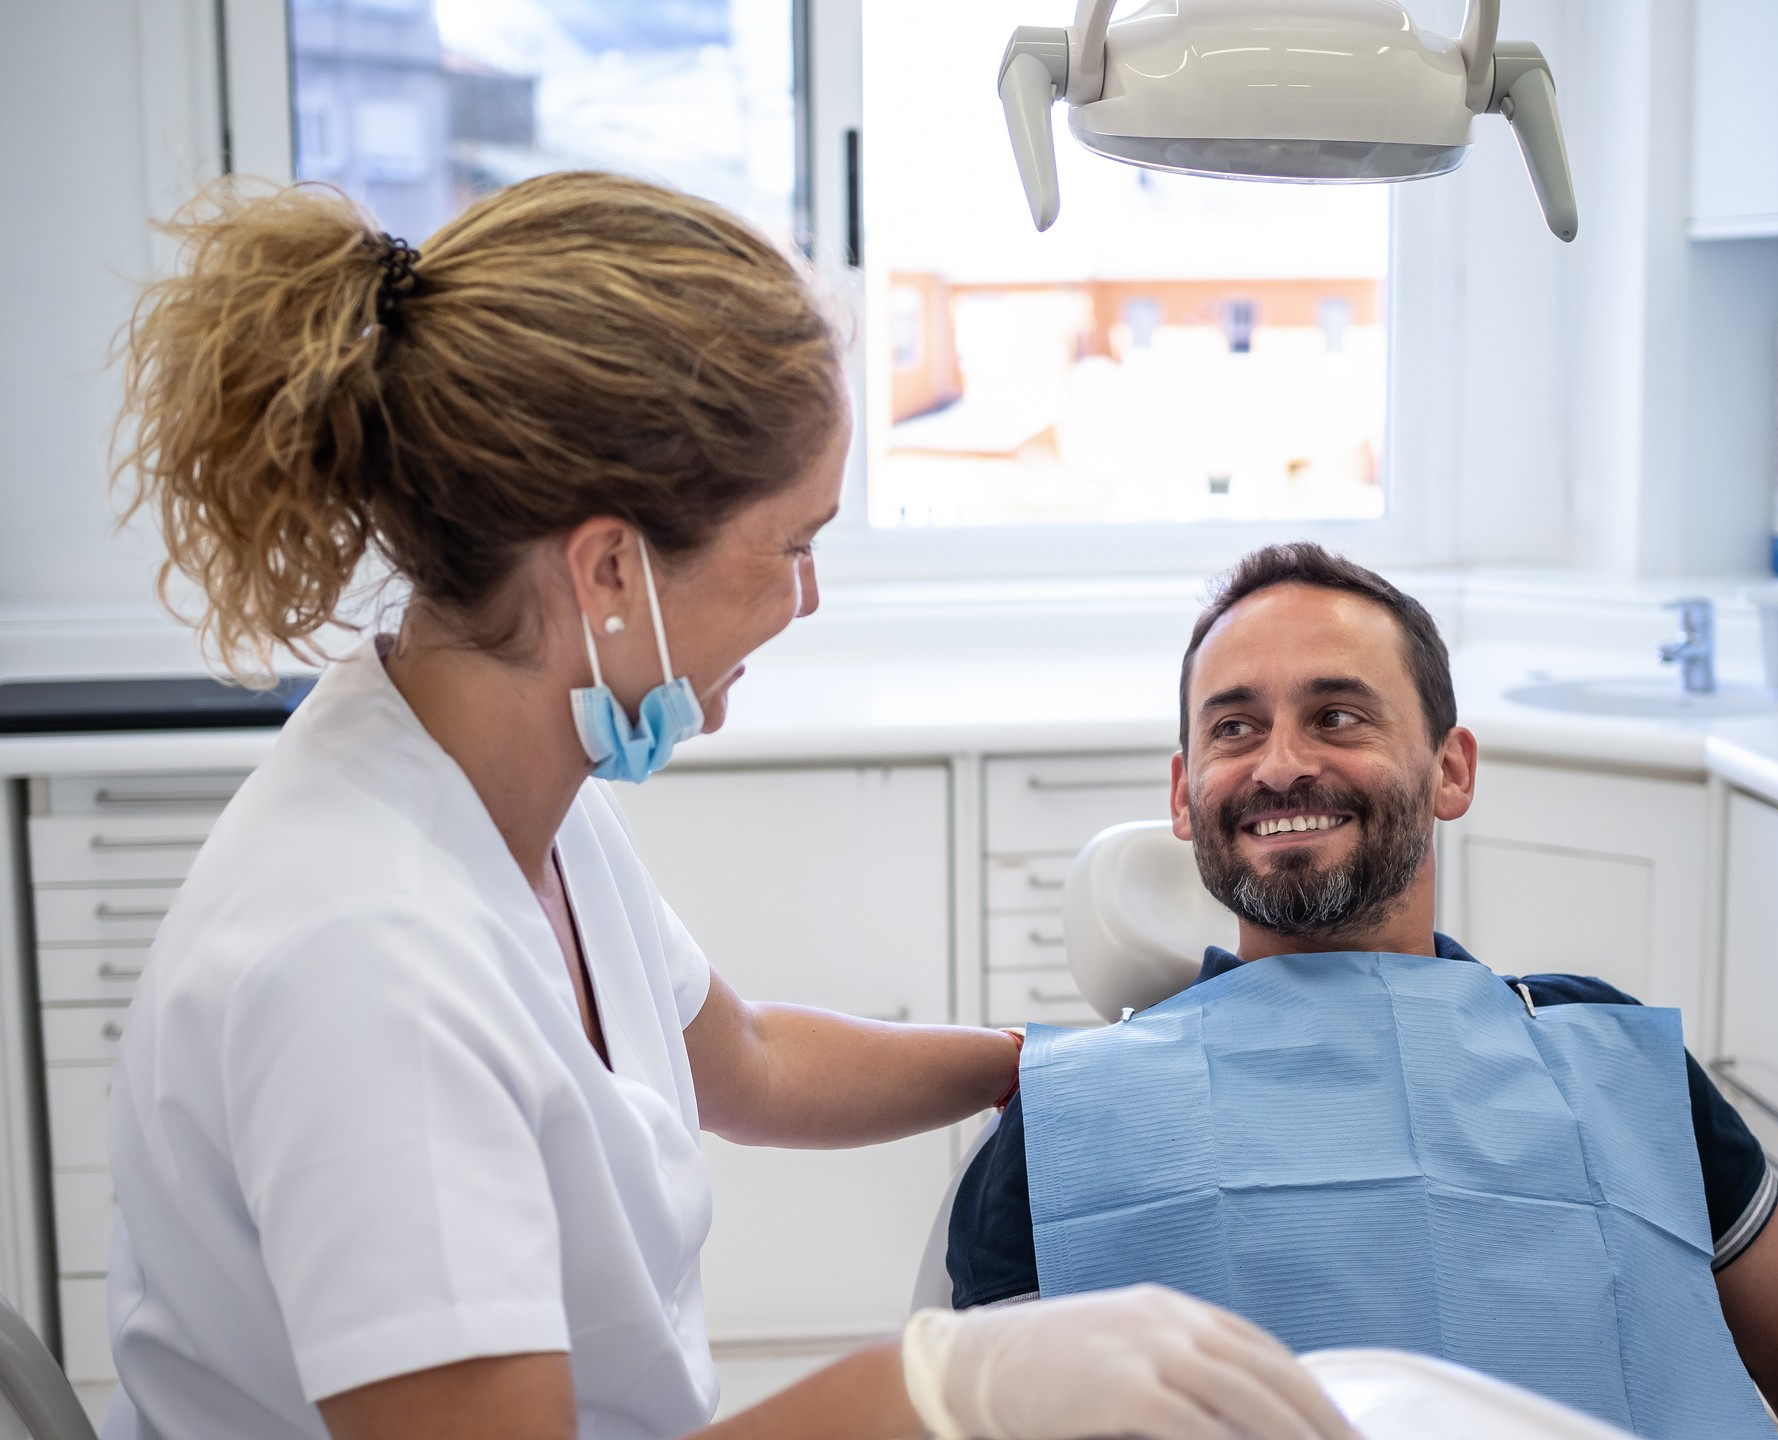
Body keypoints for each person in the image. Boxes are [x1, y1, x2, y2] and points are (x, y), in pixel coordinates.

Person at [103, 175, 1360, 1440]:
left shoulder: (504, 787)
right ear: (608, 570)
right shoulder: (364, 963)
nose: (804, 601)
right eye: (793, 545)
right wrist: (940, 1385)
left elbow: (746, 1059)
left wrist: (1051, 1071)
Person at [948, 542, 1778, 1438]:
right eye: (1236, 727)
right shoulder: (1066, 1123)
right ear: (1182, 792)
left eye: (1337, 716)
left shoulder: (1617, 1058)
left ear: (1450, 771)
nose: (1283, 764)